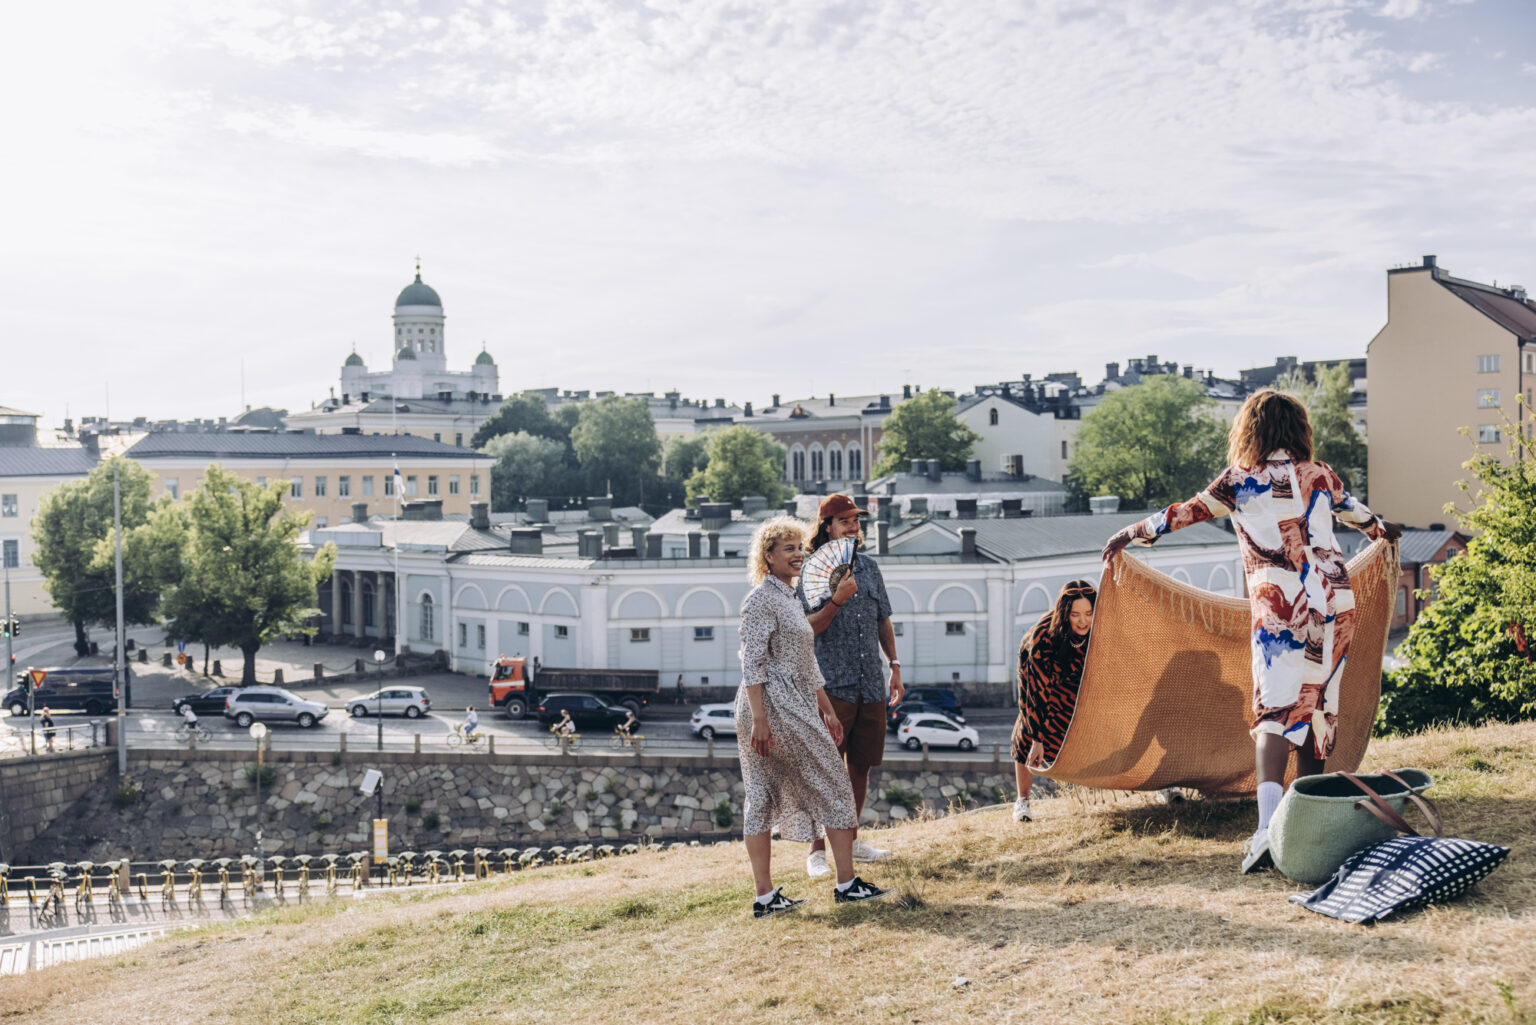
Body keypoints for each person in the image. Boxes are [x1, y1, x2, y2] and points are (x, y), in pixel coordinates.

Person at [1102, 388, 1401, 873]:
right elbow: (1362, 516)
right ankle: (1307, 825)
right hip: (1334, 604)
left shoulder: (1239, 481)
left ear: (1250, 431)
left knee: (1274, 714)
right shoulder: (1320, 473)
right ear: (1298, 431)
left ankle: (1265, 832)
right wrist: (1383, 530)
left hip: (1281, 612)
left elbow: (1181, 513)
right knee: (1315, 712)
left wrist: (1130, 535)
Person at [738, 516, 892, 917]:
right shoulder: (759, 601)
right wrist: (760, 719)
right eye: (787, 549)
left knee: (766, 794)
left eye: (799, 547)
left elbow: (806, 664)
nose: (798, 554)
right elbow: (752, 664)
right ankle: (845, 884)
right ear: (767, 556)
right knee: (828, 783)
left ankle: (767, 899)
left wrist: (827, 710)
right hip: (772, 704)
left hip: (793, 700)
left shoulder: (789, 597)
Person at [797, 494, 903, 879]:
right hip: (831, 686)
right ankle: (816, 852)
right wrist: (838, 600)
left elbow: (883, 621)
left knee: (860, 766)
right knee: (825, 769)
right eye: (845, 521)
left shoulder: (871, 568)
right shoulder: (810, 570)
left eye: (856, 520)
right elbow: (807, 630)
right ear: (827, 526)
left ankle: (853, 839)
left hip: (871, 684)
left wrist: (894, 665)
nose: (854, 527)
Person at [1010, 580, 1096, 823]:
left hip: (1079, 681)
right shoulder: (1041, 640)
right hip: (1039, 683)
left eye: (1088, 614)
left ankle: (1155, 785)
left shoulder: (1100, 628)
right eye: (1075, 614)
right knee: (1026, 734)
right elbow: (1035, 693)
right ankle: (1022, 801)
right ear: (1064, 613)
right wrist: (1038, 739)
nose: (1082, 621)